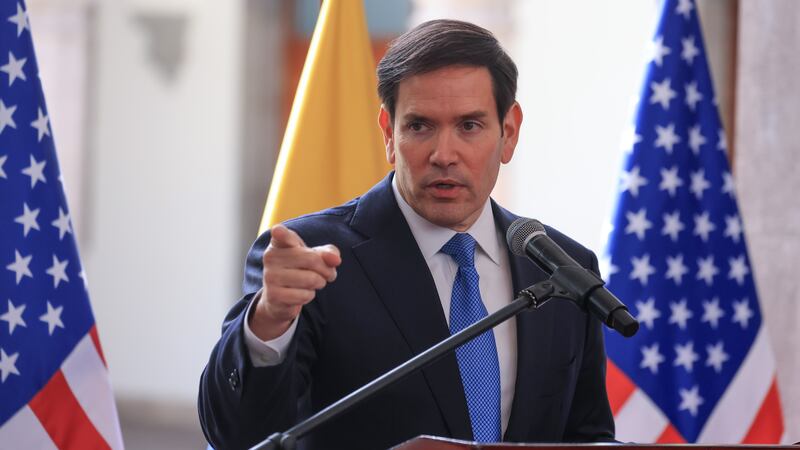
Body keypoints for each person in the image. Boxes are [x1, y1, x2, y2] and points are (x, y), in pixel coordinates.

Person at [198, 19, 614, 450]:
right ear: (388, 133)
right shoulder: (310, 258)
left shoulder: (564, 268)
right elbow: (238, 437)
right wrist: (269, 321)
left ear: (508, 132)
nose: (444, 155)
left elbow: (586, 436)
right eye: (420, 126)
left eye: (469, 126)